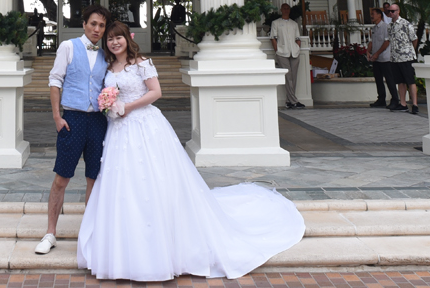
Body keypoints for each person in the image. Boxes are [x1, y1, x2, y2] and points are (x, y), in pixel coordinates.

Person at [77, 21, 304, 280]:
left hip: (144, 125)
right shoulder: (108, 67)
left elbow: (156, 92)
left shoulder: (142, 63)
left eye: (118, 38)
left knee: (154, 180)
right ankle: (126, 244)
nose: (114, 42)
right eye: (109, 39)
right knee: (124, 183)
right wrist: (110, 104)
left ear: (128, 39)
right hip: (118, 131)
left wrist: (128, 107)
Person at [35, 4, 109, 256]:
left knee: (93, 179)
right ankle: (50, 233)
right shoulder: (68, 47)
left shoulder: (106, 53)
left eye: (101, 25)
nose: (97, 29)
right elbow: (55, 81)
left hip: (99, 121)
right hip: (72, 120)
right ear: (84, 24)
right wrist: (57, 116)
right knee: (62, 177)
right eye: (93, 24)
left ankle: (88, 234)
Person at [385, 2, 420, 115]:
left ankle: (415, 104)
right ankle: (403, 103)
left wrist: (411, 51)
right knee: (400, 82)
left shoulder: (405, 23)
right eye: (389, 11)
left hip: (407, 57)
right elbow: (389, 40)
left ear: (398, 11)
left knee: (410, 81)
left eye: (392, 11)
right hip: (395, 57)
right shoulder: (390, 26)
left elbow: (414, 38)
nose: (390, 13)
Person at [269, 2, 304, 109]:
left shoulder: (294, 24)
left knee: (294, 77)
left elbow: (298, 38)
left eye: (287, 8)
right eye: (284, 8)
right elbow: (273, 38)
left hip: (294, 52)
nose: (286, 10)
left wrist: (297, 48)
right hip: (282, 52)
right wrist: (277, 49)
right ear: (281, 10)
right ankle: (294, 101)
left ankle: (289, 101)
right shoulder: (276, 23)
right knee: (288, 77)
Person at [366, 7, 396, 108]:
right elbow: (372, 41)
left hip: (385, 58)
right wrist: (368, 52)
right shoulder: (374, 28)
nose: (371, 16)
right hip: (376, 59)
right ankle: (381, 99)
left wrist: (377, 53)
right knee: (378, 80)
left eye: (373, 14)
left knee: (389, 79)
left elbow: (387, 42)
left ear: (379, 15)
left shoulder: (386, 27)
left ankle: (395, 99)